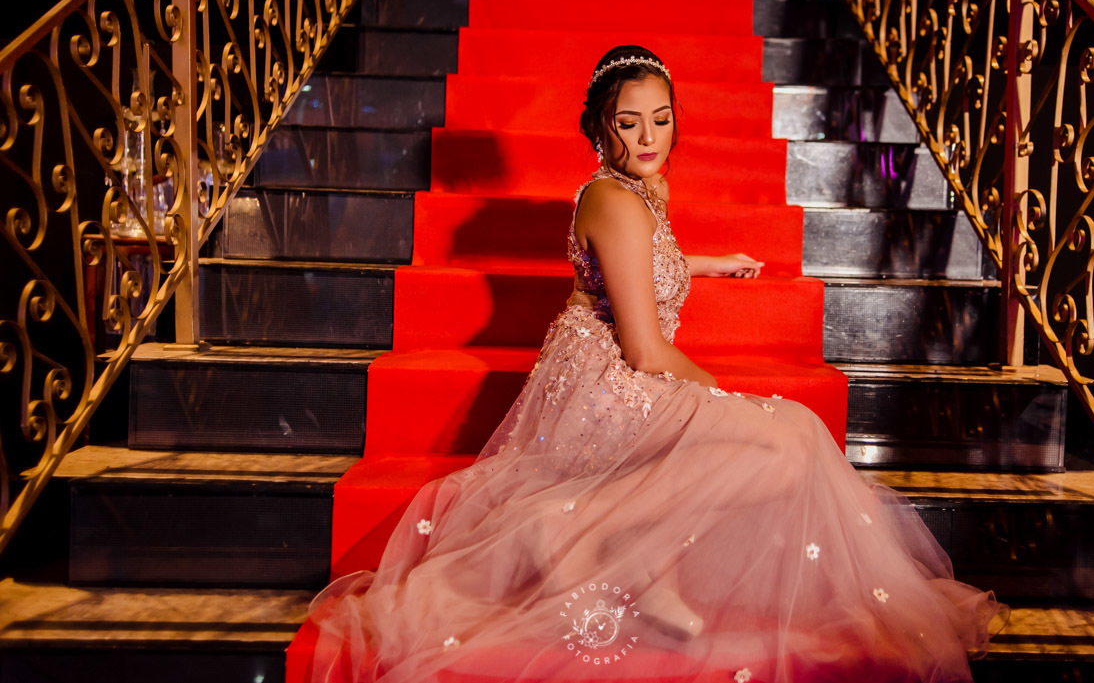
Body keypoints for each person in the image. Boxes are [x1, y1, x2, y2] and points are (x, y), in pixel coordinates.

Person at [306, 45, 1006, 683]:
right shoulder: (617, 200)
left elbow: (633, 263)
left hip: (607, 361)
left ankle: (615, 539)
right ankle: (602, 532)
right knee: (787, 438)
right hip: (612, 378)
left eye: (661, 120)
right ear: (599, 129)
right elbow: (644, 348)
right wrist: (729, 398)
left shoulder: (637, 191)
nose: (647, 139)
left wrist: (707, 263)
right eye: (628, 123)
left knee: (787, 440)